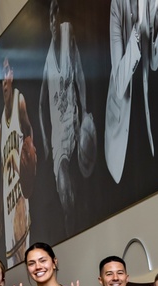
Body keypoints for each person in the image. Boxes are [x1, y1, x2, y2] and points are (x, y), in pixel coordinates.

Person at [39, 0, 93, 222]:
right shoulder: (47, 61)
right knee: (63, 176)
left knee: (83, 182)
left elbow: (79, 74)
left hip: (75, 123)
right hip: (59, 137)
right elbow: (41, 103)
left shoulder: (67, 32)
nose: (54, 21)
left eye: (57, 15)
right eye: (51, 17)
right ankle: (69, 222)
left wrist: (86, 111)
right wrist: (44, 139)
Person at [105, 0, 158, 183]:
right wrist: (137, 31)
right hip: (120, 125)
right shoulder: (116, 6)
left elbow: (154, 63)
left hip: (143, 115)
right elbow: (120, 83)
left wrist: (156, 15)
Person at [0, 58, 37, 267]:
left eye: (6, 73)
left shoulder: (19, 101)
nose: (4, 80)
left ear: (12, 75)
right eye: (1, 75)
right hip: (8, 208)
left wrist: (29, 154)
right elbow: (0, 172)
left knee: (25, 268)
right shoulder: (0, 129)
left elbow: (29, 133)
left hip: (21, 203)